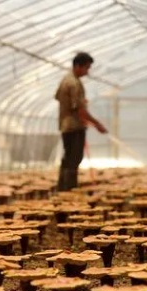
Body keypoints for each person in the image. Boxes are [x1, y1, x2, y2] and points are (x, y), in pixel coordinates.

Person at [54, 52, 107, 191]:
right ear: (78, 66)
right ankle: (68, 190)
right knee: (73, 159)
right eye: (86, 68)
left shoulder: (66, 79)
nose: (88, 71)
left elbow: (61, 99)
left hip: (67, 125)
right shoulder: (74, 83)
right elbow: (79, 109)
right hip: (73, 126)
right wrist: (97, 124)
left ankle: (63, 189)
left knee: (68, 159)